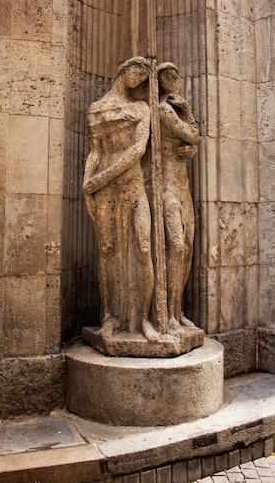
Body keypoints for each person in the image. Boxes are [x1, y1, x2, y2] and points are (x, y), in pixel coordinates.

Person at [83, 56, 159, 341]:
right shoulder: (96, 110)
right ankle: (109, 317)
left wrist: (101, 178)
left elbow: (138, 150)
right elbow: (95, 152)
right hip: (104, 192)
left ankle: (142, 319)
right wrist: (86, 184)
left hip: (131, 185)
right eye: (137, 71)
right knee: (107, 251)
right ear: (124, 70)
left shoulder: (141, 108)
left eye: (144, 76)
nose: (139, 79)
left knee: (143, 247)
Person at [157, 62, 201, 333]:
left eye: (176, 74)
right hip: (166, 187)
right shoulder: (164, 109)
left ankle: (178, 310)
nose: (173, 79)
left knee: (187, 246)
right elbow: (193, 134)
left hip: (182, 185)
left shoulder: (173, 109)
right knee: (176, 246)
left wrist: (192, 149)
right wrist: (185, 109)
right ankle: (168, 314)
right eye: (167, 76)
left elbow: (192, 141)